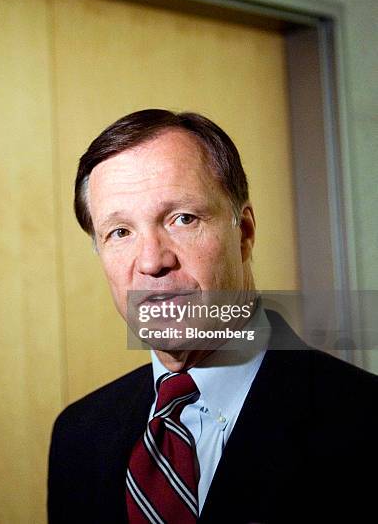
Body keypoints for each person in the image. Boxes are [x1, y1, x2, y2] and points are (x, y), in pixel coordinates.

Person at [48, 109, 378, 523]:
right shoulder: (78, 435)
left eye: (182, 219)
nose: (152, 262)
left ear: (244, 232)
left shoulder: (367, 422)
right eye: (120, 232)